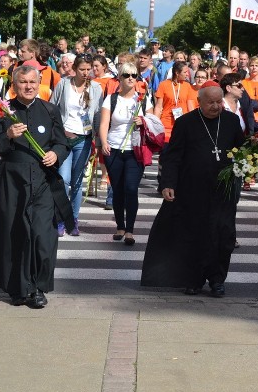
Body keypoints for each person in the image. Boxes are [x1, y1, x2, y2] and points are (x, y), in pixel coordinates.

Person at [0, 65, 71, 308]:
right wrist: (7, 135)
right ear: (14, 84)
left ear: (39, 83)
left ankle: (39, 287)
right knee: (16, 236)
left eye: (33, 82)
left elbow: (62, 143)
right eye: (23, 82)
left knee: (42, 235)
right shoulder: (1, 112)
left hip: (42, 182)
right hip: (12, 183)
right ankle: (19, 289)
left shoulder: (50, 111)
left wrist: (55, 154)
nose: (29, 86)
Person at [140, 83, 245, 296]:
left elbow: (242, 150)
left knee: (223, 236)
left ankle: (217, 279)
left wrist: (246, 166)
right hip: (192, 190)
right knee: (194, 235)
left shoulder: (232, 121)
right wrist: (168, 183)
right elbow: (173, 156)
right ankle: (194, 278)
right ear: (200, 103)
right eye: (211, 103)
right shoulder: (186, 123)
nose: (216, 106)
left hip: (223, 192)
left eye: (219, 102)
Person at [99, 63, 161, 244]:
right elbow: (104, 123)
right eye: (126, 75)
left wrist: (143, 121)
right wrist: (103, 142)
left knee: (131, 189)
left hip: (136, 150)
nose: (131, 78)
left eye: (134, 75)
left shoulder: (142, 99)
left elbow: (153, 123)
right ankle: (120, 226)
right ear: (119, 78)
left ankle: (130, 230)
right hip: (114, 148)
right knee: (117, 189)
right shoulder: (111, 99)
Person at [49, 56, 102, 236]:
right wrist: (55, 133)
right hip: (64, 138)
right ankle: (61, 218)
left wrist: (98, 141)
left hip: (84, 139)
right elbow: (51, 108)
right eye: (82, 69)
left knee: (77, 181)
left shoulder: (96, 88)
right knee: (63, 179)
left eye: (89, 69)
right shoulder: (63, 84)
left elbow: (97, 116)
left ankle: (74, 219)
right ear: (75, 68)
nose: (86, 73)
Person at [153, 61, 195, 141]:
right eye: (185, 72)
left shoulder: (187, 86)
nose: (187, 74)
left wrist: (193, 124)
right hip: (166, 125)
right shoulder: (163, 84)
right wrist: (155, 125)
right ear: (177, 73)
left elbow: (190, 107)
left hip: (183, 125)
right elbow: (158, 107)